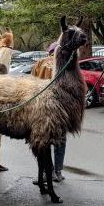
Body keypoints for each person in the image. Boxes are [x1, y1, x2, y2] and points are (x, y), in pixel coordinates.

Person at [31, 42, 66, 184]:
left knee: (43, 142)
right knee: (60, 141)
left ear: (49, 52)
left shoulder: (40, 63)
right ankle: (57, 172)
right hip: (60, 108)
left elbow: (31, 84)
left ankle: (47, 172)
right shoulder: (64, 62)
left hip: (41, 108)